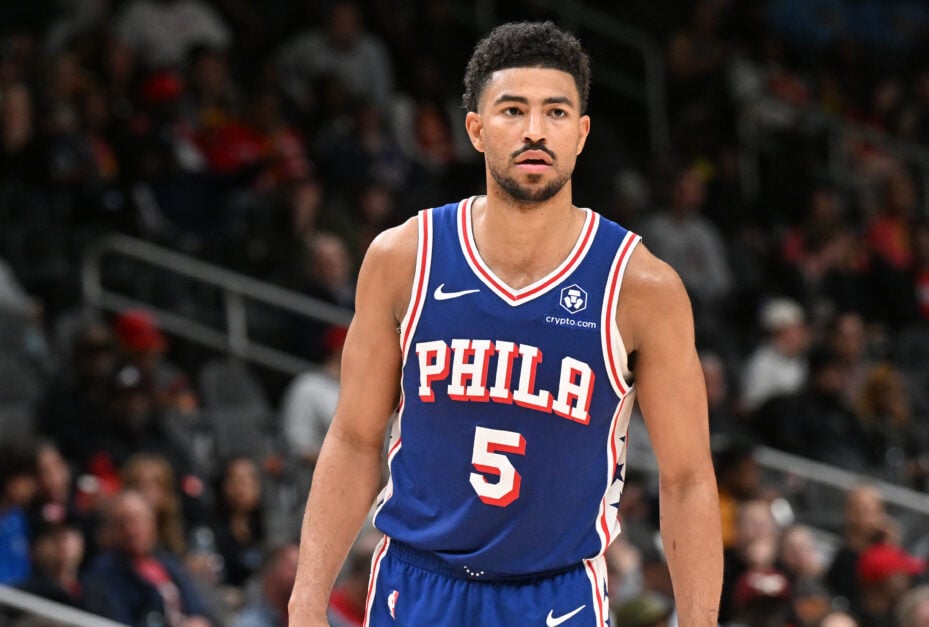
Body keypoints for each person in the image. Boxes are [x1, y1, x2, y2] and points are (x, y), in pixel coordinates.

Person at [287, 21, 722, 626]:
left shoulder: (641, 287)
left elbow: (687, 478)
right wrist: (307, 598)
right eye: (513, 111)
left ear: (581, 134)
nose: (535, 131)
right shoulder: (403, 259)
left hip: (556, 596)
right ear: (476, 129)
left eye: (557, 112)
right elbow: (356, 438)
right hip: (416, 586)